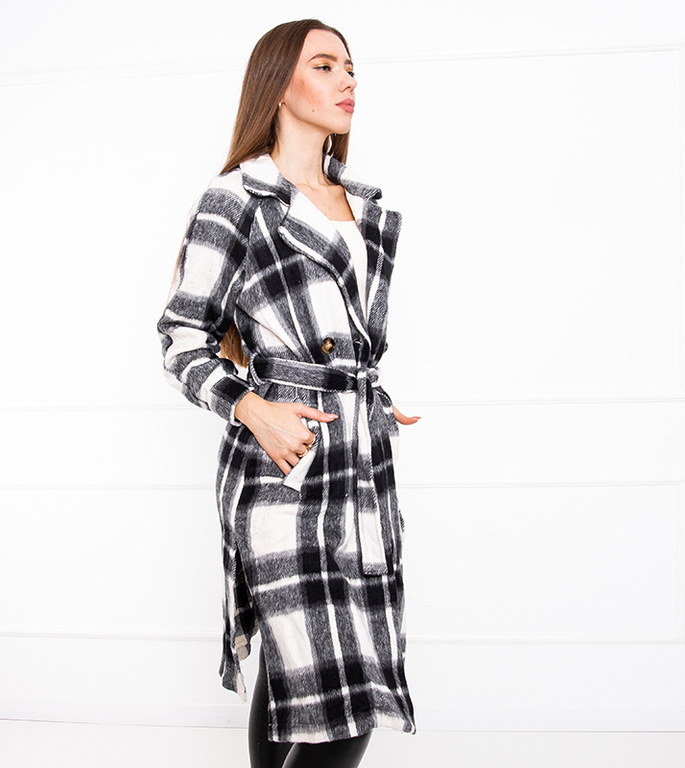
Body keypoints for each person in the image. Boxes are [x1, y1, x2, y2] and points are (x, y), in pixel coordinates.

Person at [158, 19, 418, 767]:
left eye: (351, 67)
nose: (348, 80)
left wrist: (367, 397)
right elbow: (181, 336)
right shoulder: (236, 199)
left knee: (298, 664)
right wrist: (253, 407)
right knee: (342, 685)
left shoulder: (362, 205)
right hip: (283, 461)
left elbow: (342, 333)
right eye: (325, 65)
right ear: (278, 84)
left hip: (361, 463)